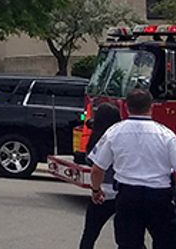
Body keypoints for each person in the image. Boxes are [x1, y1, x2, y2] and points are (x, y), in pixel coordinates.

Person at [89, 89, 176, 249]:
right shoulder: (166, 135)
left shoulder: (114, 133)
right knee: (167, 242)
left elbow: (97, 169)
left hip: (128, 197)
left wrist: (96, 190)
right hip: (159, 198)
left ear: (126, 106)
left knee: (129, 244)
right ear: (152, 107)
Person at [78, 103, 121, 249]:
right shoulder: (120, 137)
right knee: (127, 236)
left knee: (90, 234)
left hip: (102, 192)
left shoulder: (100, 138)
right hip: (122, 192)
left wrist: (95, 190)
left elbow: (93, 164)